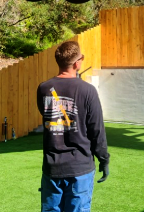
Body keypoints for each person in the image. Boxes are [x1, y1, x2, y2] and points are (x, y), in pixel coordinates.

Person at [37, 40, 109, 212]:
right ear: (78, 62)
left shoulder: (43, 88)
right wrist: (104, 159)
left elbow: (46, 115)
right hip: (80, 168)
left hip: (51, 167)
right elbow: (96, 129)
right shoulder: (88, 90)